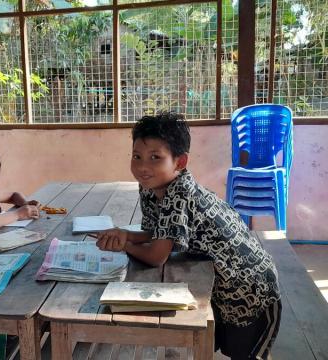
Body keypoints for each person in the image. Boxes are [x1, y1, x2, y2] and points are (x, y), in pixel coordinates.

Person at [95, 112, 281, 359]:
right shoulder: (152, 185)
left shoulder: (179, 193)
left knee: (249, 355)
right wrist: (123, 234)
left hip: (252, 288)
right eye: (136, 156)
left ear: (180, 162)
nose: (142, 167)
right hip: (222, 286)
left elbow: (156, 256)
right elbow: (155, 233)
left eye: (155, 158)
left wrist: (124, 245)